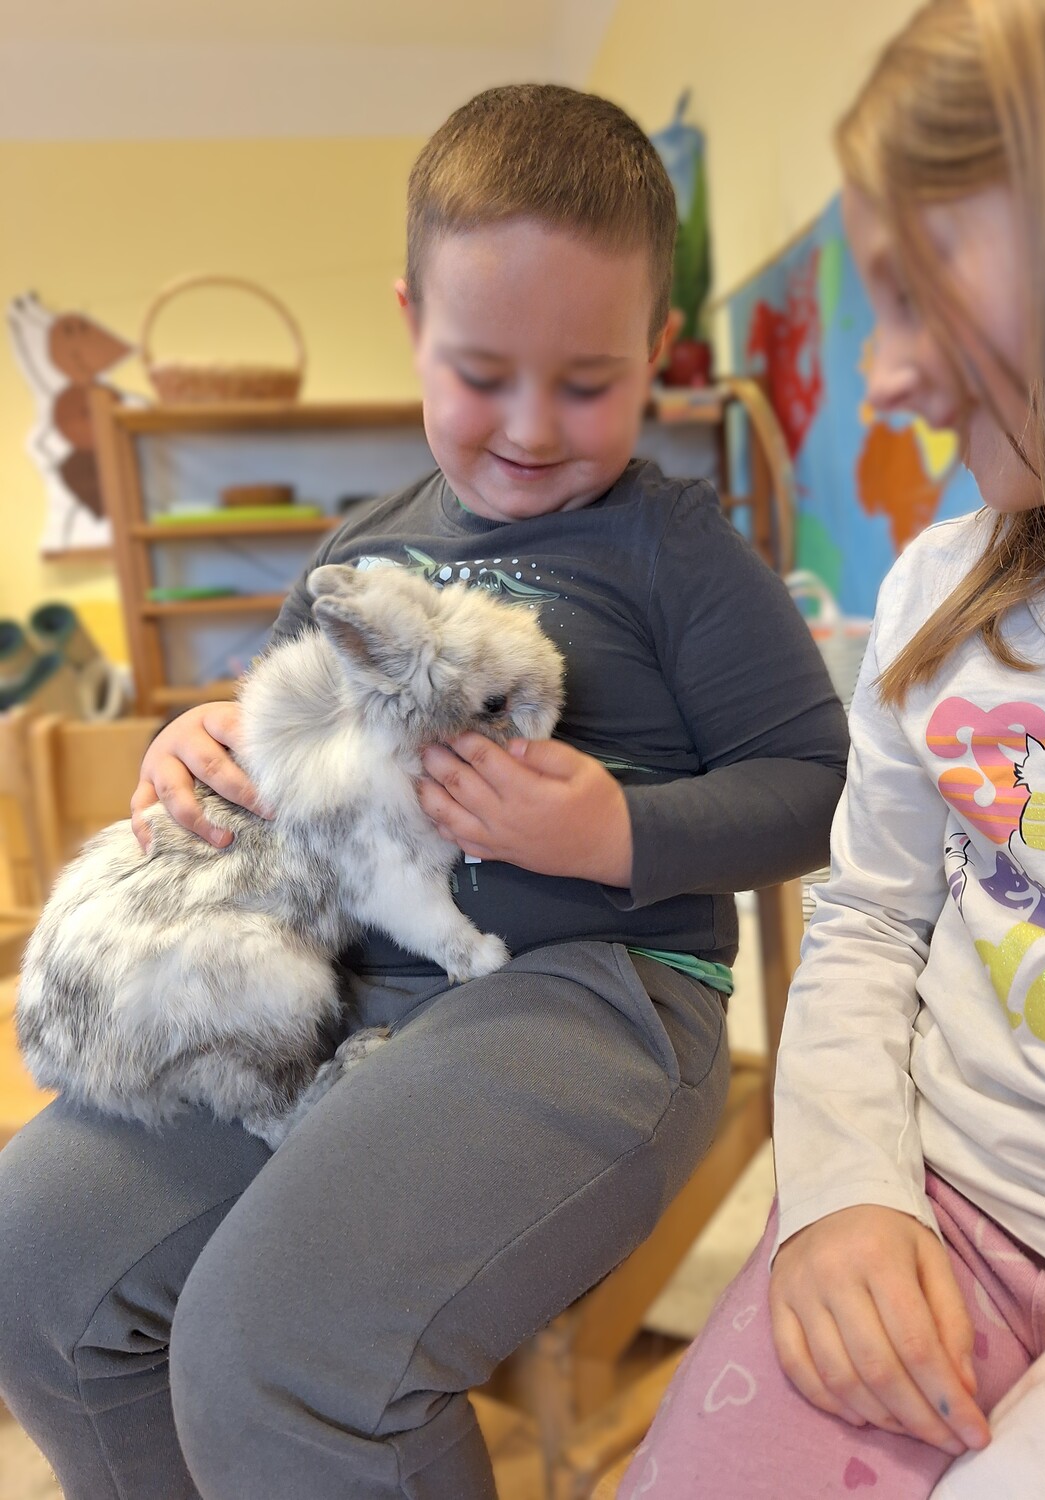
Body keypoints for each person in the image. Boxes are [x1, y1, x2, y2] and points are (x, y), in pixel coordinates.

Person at [0, 85, 848, 1500]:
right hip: (339, 989)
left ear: (655, 348)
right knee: (34, 1260)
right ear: (412, 323)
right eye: (481, 372)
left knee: (281, 1345)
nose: (531, 428)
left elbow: (820, 791)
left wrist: (615, 831)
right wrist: (195, 744)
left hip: (596, 994)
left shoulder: (677, 549)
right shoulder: (361, 545)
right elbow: (276, 747)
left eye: (588, 383)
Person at [619, 1, 1045, 1496]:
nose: (883, 377)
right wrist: (842, 1187)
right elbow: (866, 918)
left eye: (918, 292)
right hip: (942, 1197)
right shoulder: (934, 601)